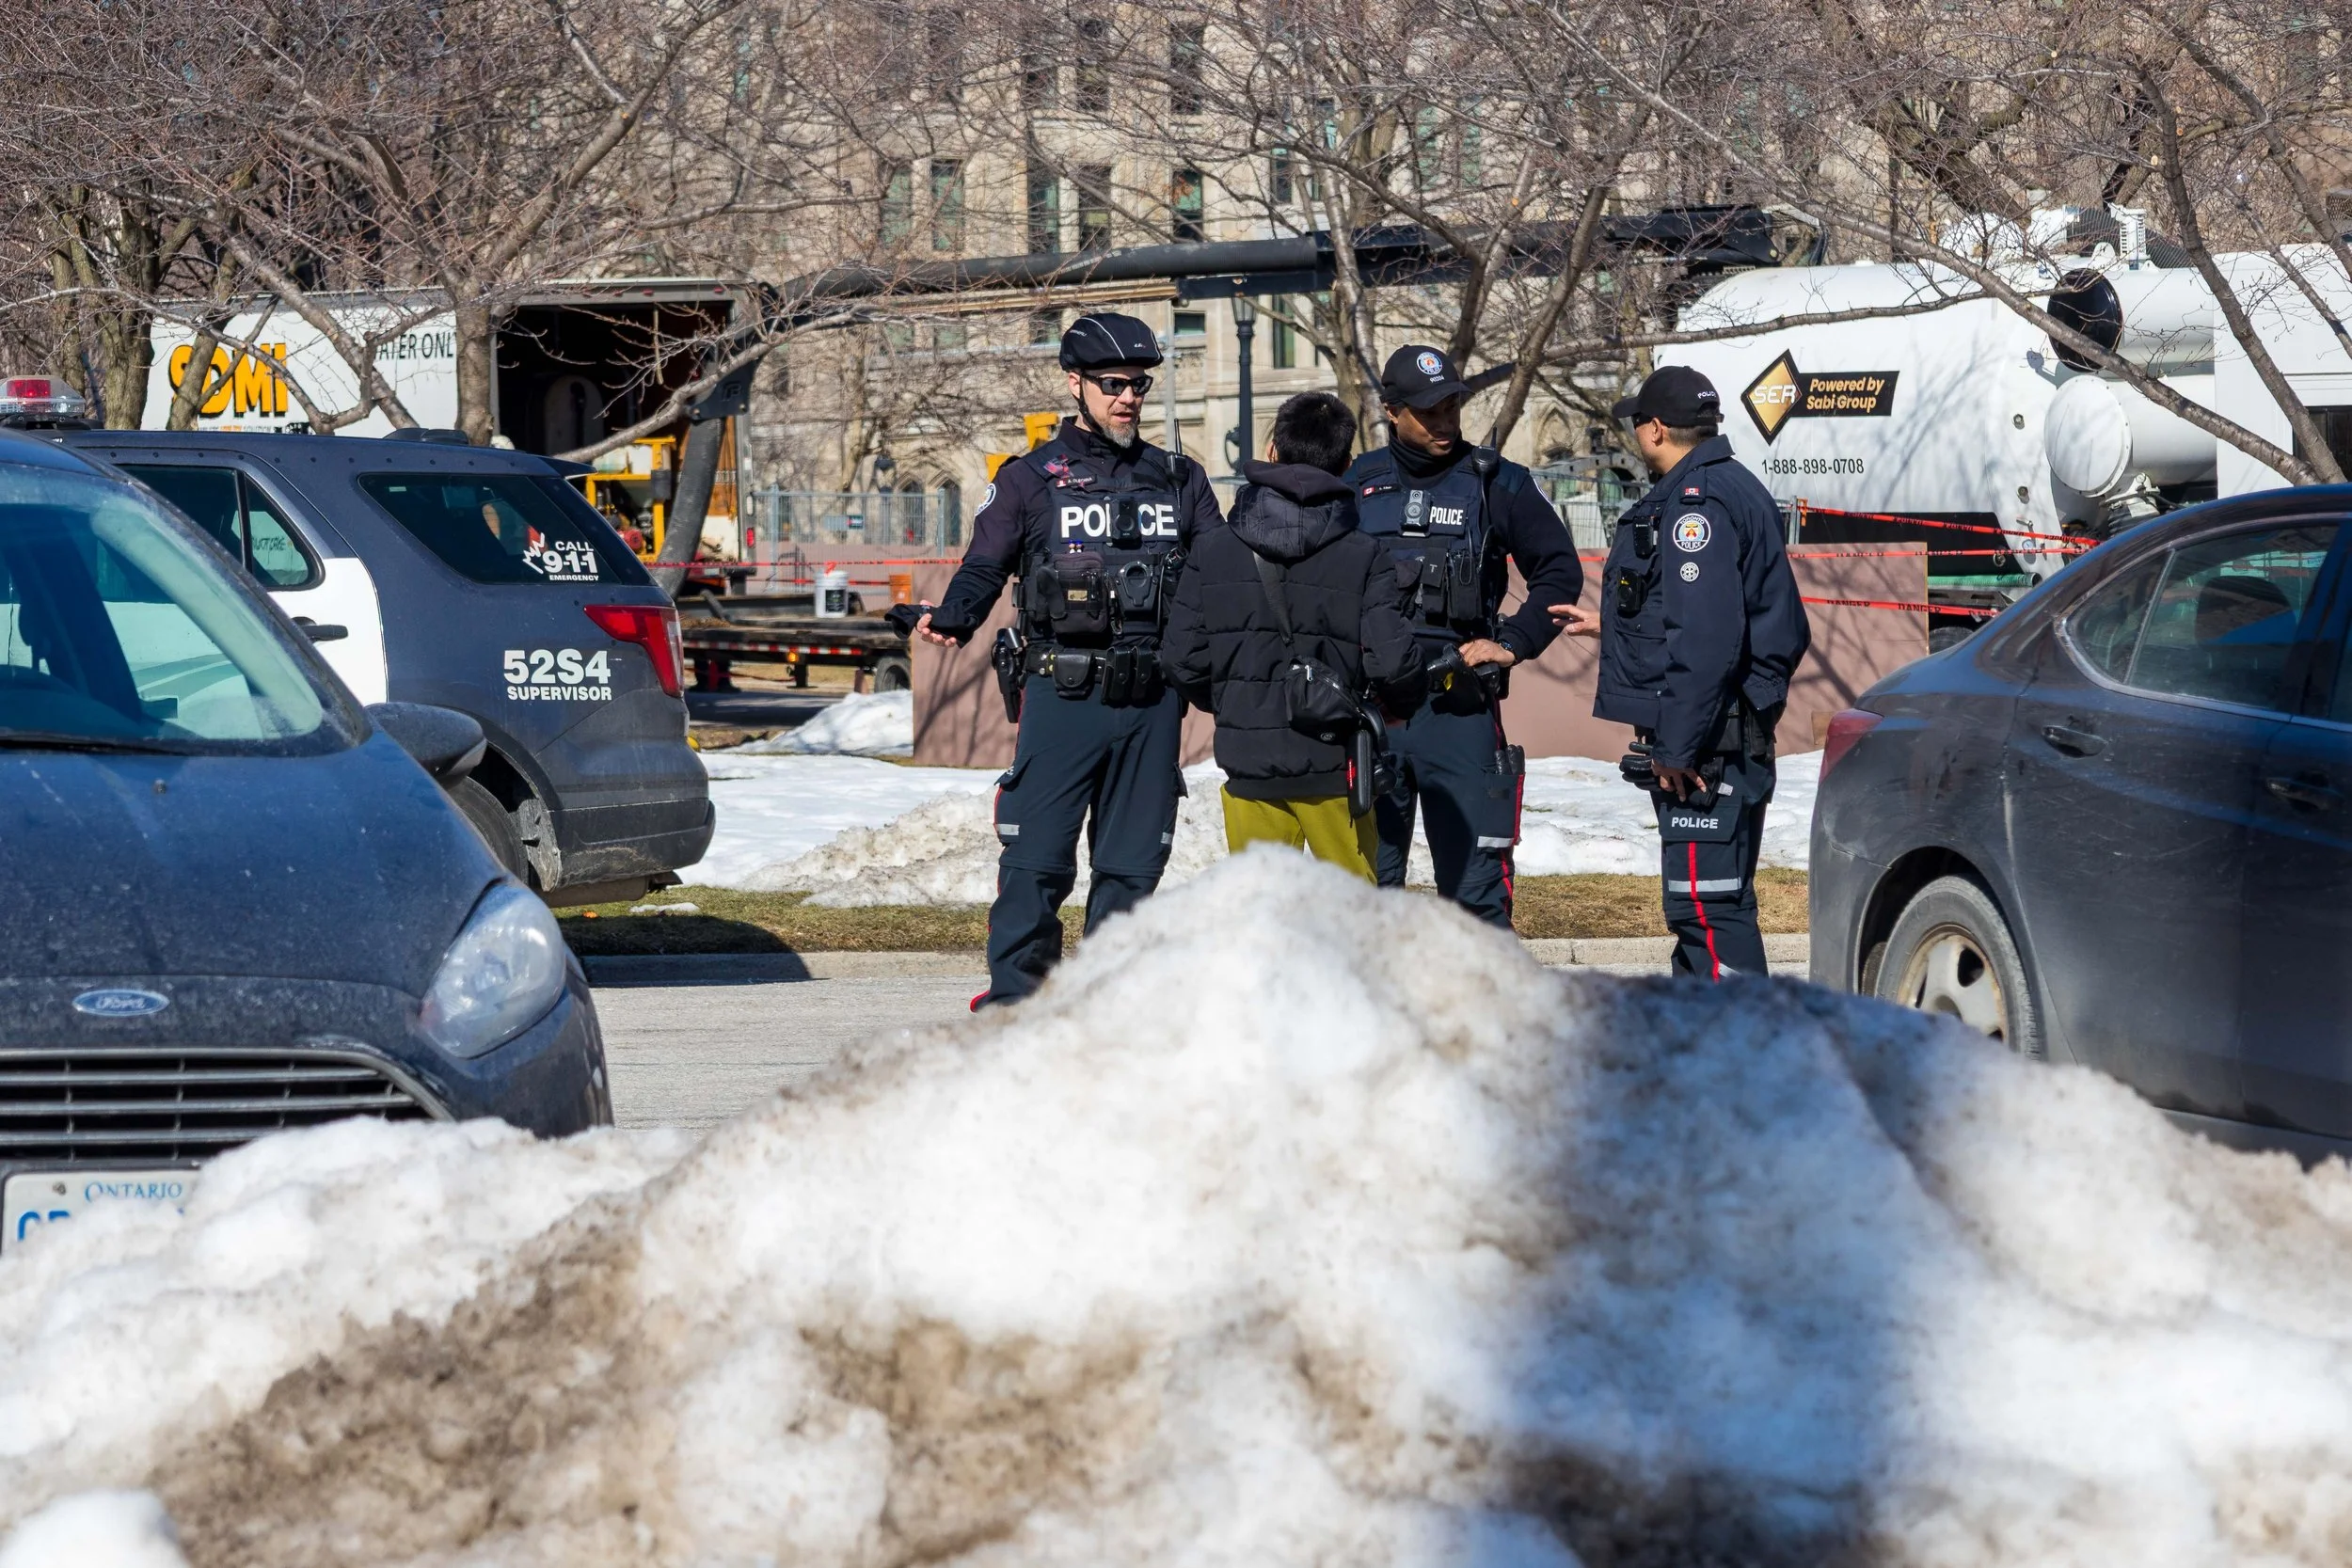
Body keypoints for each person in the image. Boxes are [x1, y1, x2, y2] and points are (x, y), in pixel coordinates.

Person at [913, 312, 1223, 1006]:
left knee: (1133, 870)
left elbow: (1221, 575)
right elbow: (983, 565)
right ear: (1075, 382)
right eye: (1114, 384)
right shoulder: (1029, 480)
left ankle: (1107, 1011)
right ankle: (1016, 1007)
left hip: (1152, 703)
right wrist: (954, 618)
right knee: (1036, 862)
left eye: (1139, 384)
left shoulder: (1179, 479)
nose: (1129, 398)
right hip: (1064, 698)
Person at [1555, 365, 1810, 980]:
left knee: (1707, 907)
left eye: (1637, 423)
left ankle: (1742, 1057)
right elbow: (1712, 610)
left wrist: (1676, 745)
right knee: (1712, 904)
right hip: (1723, 737)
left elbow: (1707, 637)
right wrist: (1612, 623)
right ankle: (1709, 1059)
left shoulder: (1696, 504)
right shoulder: (1732, 484)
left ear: (1657, 428)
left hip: (1707, 750)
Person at [1341, 344, 1583, 928]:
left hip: (1461, 706)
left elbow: (1559, 570)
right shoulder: (1357, 484)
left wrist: (1516, 642)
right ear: (1391, 410)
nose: (1446, 422)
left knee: (1478, 890)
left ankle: (1485, 1015)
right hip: (1376, 715)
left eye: (1452, 407)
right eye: (1430, 411)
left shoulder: (1496, 482)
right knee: (1368, 891)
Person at [1160, 391, 1427, 879]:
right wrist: (1391, 706)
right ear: (1346, 465)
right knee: (1353, 915)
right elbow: (1394, 663)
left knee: (1261, 919)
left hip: (1250, 765)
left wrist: (1235, 699)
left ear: (1273, 450)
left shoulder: (1214, 549)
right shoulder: (1365, 554)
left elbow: (1181, 658)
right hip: (1337, 762)